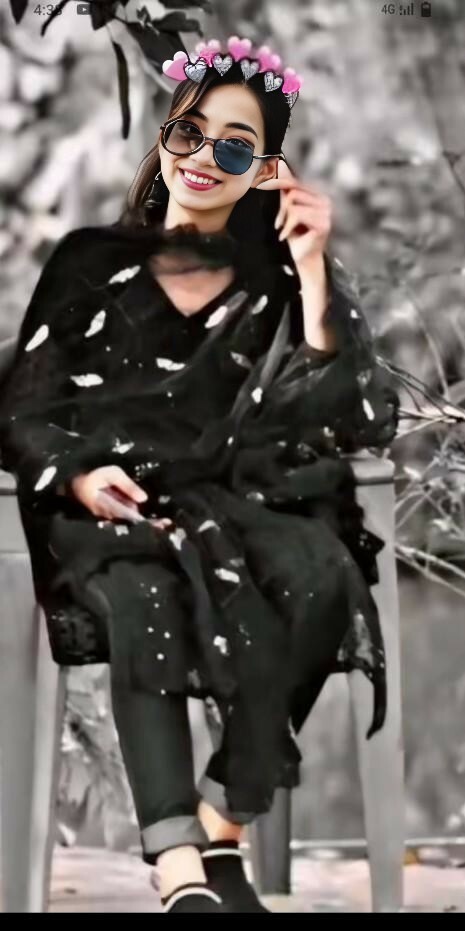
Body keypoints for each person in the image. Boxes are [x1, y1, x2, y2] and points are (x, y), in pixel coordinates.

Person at [0, 35, 400, 913]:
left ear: (265, 170)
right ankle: (181, 867)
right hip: (112, 509)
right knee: (143, 591)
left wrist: (310, 271)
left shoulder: (278, 279)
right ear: (165, 137)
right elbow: (25, 406)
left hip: (240, 504)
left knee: (317, 571)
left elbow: (348, 417)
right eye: (191, 133)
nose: (205, 157)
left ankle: (220, 825)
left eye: (235, 146)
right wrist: (78, 477)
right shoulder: (89, 261)